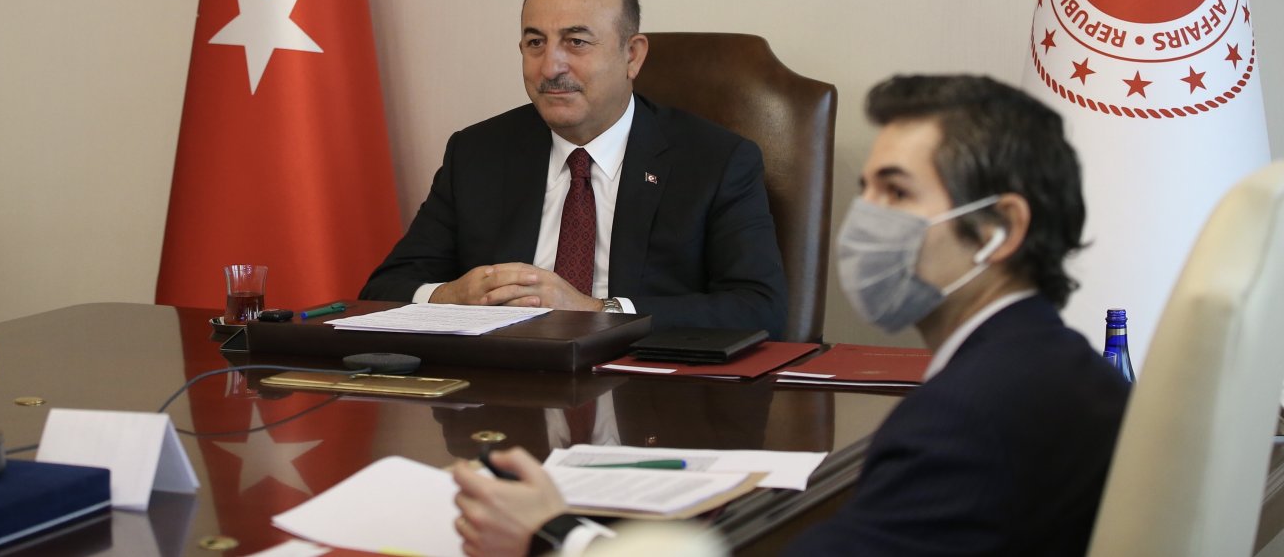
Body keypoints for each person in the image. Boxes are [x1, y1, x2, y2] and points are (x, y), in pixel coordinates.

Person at [450, 74, 1130, 557]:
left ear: (998, 229)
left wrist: (552, 535)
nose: (865, 221)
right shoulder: (1056, 366)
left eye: (897, 192)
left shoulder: (976, 413)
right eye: (866, 192)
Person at [359, 0, 786, 333]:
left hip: (647, 403)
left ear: (632, 56)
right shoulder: (477, 154)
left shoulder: (715, 161)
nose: (550, 66)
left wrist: (598, 311)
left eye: (576, 42)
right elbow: (381, 292)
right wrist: (450, 297)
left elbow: (759, 309)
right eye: (535, 43)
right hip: (505, 396)